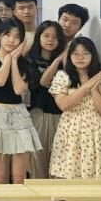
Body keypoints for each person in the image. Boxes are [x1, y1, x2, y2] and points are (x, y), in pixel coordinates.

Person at [0, 18, 40, 184]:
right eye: (7, 35)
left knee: (19, 177)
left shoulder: (25, 64)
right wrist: (8, 58)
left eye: (16, 37)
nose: (11, 40)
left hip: (19, 115)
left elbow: (19, 89)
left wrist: (13, 61)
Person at [48, 37, 101, 179]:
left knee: (96, 177)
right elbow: (64, 105)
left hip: (96, 132)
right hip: (69, 131)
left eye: (85, 53)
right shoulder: (63, 76)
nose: (80, 57)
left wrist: (94, 91)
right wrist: (86, 86)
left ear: (93, 56)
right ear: (70, 56)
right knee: (67, 176)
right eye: (76, 54)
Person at [26, 20, 67, 179]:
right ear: (39, 37)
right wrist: (57, 61)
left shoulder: (66, 62)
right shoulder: (30, 60)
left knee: (61, 163)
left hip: (62, 116)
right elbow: (43, 82)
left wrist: (63, 59)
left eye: (55, 37)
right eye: (46, 36)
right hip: (40, 115)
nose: (51, 40)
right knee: (38, 161)